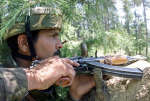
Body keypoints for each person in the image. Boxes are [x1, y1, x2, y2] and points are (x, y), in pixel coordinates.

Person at [0, 7, 95, 101]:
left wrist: (74, 95)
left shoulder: (45, 85)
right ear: (24, 43)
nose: (60, 45)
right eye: (53, 35)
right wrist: (37, 77)